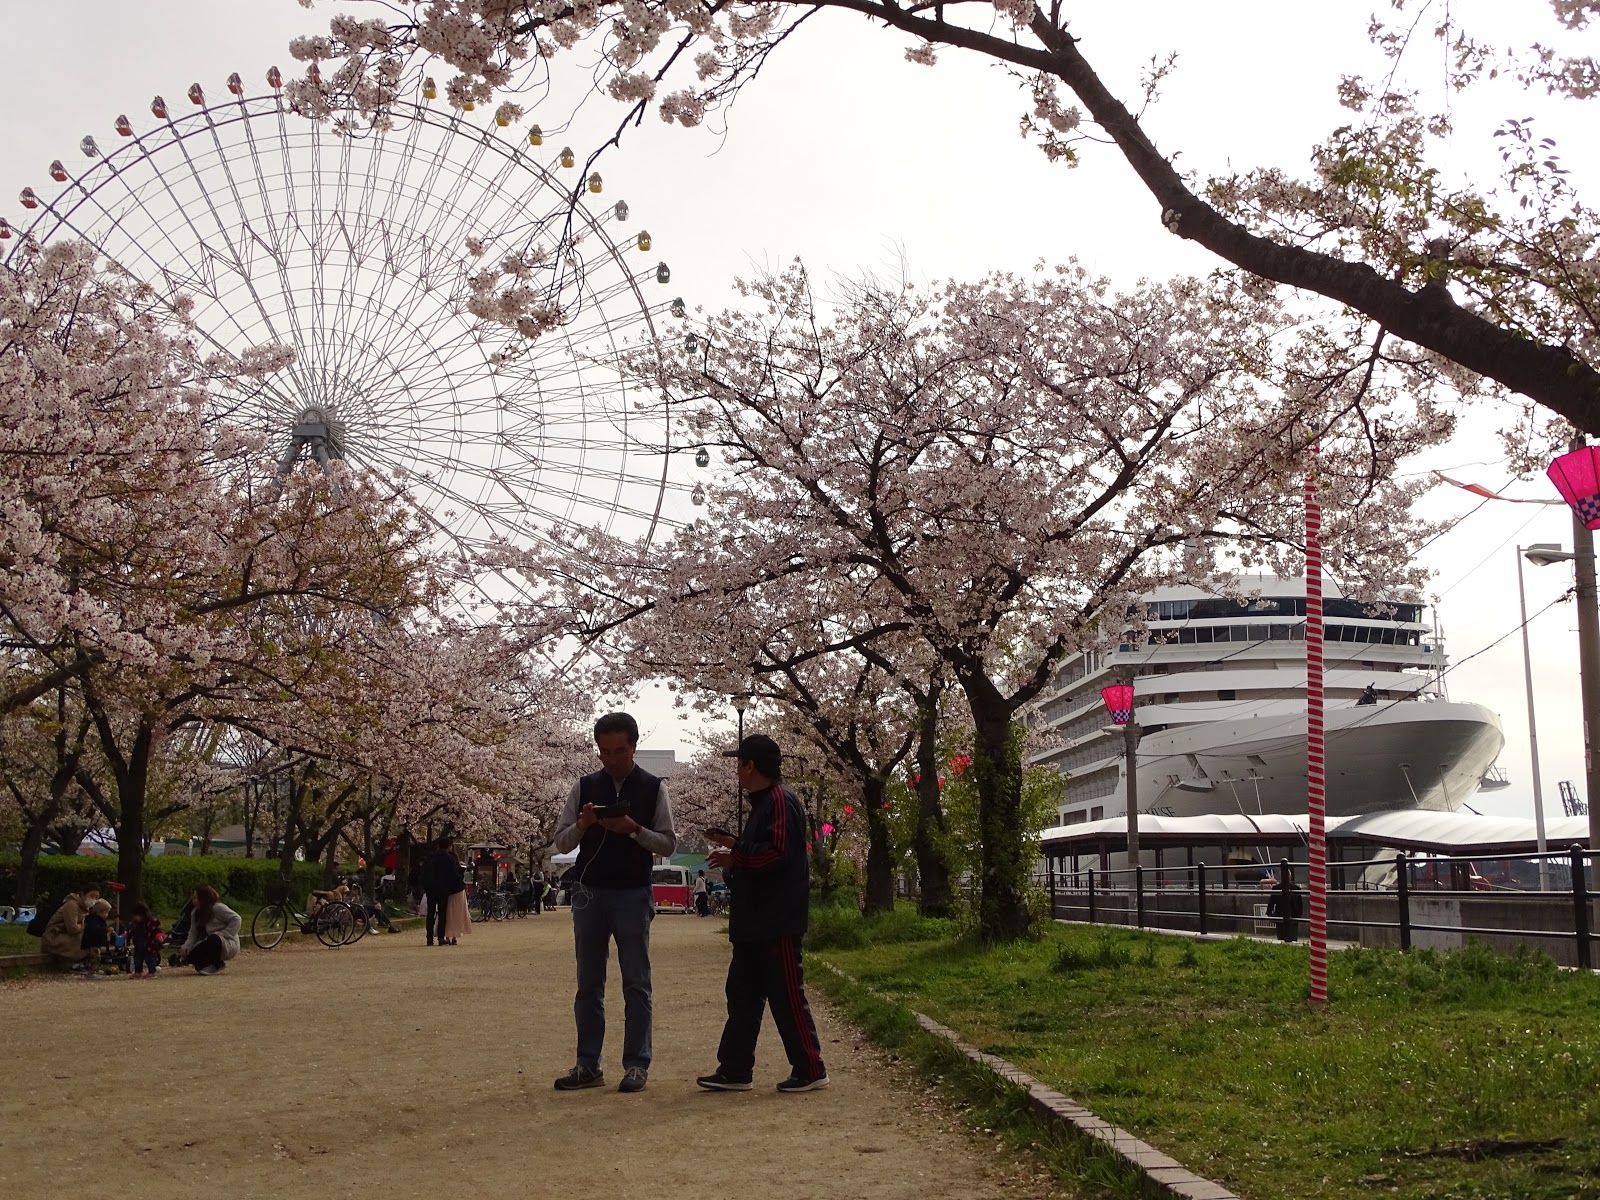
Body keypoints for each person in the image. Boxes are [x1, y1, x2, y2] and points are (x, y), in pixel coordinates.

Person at [551, 711, 678, 1095]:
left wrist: (634, 830)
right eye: (604, 752)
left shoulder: (654, 788)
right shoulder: (584, 786)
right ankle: (588, 1064)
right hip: (589, 893)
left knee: (636, 983)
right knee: (588, 984)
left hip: (633, 894)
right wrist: (585, 824)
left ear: (634, 747)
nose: (611, 760)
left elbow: (669, 843)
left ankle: (637, 1064)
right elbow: (561, 842)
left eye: (619, 751)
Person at [698, 734, 829, 1094]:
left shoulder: (780, 801)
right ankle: (735, 1069)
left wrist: (736, 854)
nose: (736, 770)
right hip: (754, 922)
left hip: (776, 922)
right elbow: (764, 850)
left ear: (750, 765)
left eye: (739, 763)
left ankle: (811, 1068)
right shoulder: (765, 803)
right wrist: (734, 847)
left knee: (786, 996)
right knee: (741, 996)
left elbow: (777, 854)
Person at [40, 881, 101, 971]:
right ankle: (74, 963)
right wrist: (84, 925)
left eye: (96, 898)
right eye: (91, 896)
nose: (93, 900)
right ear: (83, 894)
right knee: (84, 938)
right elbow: (72, 928)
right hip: (54, 937)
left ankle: (90, 963)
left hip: (67, 936)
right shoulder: (72, 905)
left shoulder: (85, 908)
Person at [182, 885, 241, 975]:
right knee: (190, 956)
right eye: (193, 898)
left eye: (196, 898)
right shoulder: (195, 913)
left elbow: (236, 919)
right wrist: (187, 946)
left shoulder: (217, 908)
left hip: (226, 942)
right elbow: (193, 932)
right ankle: (206, 964)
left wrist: (225, 933)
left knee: (213, 938)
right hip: (209, 941)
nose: (193, 901)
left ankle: (215, 964)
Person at [421, 836, 458, 947]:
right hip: (444, 889)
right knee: (442, 914)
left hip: (431, 889)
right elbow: (453, 875)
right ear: (449, 847)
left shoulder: (431, 857)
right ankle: (441, 938)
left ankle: (429, 938)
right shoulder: (449, 858)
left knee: (430, 913)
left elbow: (424, 873)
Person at [127, 902, 163, 977]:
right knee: (137, 959)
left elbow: (158, 931)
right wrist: (125, 935)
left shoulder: (153, 922)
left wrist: (159, 936)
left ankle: (152, 972)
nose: (135, 918)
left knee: (150, 959)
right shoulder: (135, 924)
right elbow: (130, 932)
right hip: (138, 945)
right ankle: (138, 972)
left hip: (150, 945)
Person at [442, 846, 470, 944]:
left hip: (449, 893)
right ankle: (454, 936)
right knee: (457, 914)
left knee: (448, 914)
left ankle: (448, 936)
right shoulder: (460, 869)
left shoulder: (446, 870)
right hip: (459, 893)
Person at [80, 898, 113, 974]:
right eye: (106, 912)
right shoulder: (95, 921)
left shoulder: (95, 920)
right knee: (94, 958)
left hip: (93, 943)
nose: (107, 915)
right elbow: (96, 930)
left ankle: (92, 970)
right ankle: (93, 971)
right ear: (99, 912)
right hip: (92, 943)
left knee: (92, 957)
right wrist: (106, 930)